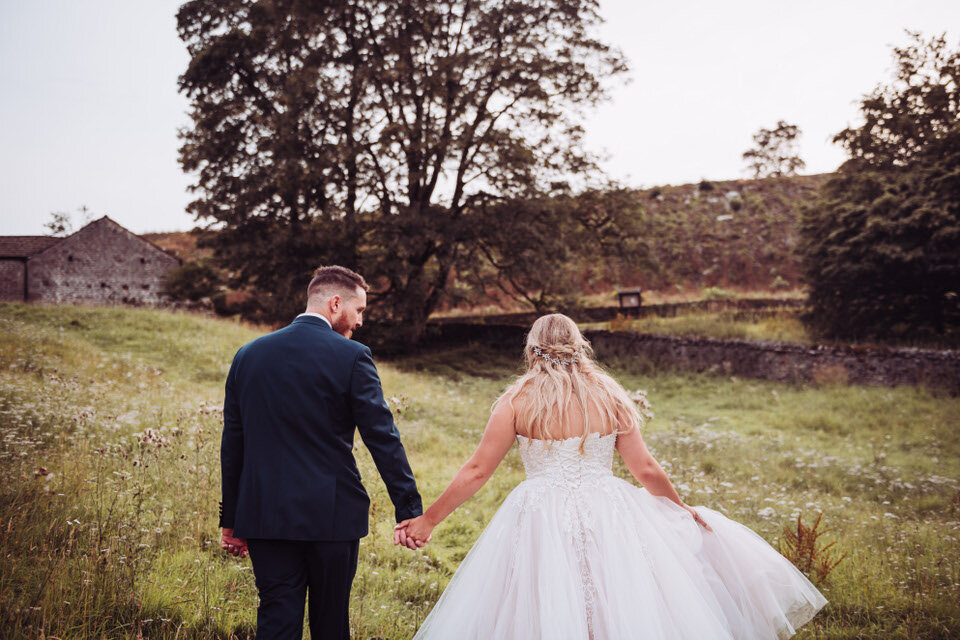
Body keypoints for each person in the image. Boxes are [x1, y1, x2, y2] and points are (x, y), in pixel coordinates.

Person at [396, 313, 828, 639]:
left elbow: (476, 470)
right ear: (579, 346)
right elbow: (645, 469)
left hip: (540, 512)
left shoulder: (516, 400)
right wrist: (680, 510)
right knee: (621, 595)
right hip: (609, 506)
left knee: (539, 598)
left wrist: (429, 520)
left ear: (532, 351)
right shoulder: (610, 395)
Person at [218, 265, 424, 640]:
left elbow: (233, 444)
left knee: (276, 619)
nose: (360, 321)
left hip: (264, 516)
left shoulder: (248, 356)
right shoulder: (352, 357)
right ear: (335, 303)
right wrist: (409, 509)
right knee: (330, 623)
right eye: (359, 310)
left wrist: (230, 521)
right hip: (332, 516)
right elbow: (382, 437)